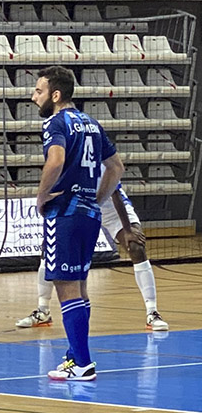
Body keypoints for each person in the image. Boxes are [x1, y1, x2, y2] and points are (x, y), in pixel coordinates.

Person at [31, 66, 124, 381]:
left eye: (39, 91)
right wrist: (97, 198)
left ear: (55, 95)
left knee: (66, 286)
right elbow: (116, 167)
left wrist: (42, 196)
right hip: (89, 214)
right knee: (80, 286)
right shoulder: (92, 123)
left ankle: (83, 364)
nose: (33, 97)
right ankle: (75, 356)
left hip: (65, 212)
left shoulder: (55, 122)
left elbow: (55, 160)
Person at [16, 184, 169, 331]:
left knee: (136, 247)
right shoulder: (63, 166)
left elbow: (115, 192)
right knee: (49, 248)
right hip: (78, 206)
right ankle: (43, 311)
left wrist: (128, 230)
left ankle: (152, 312)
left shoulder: (102, 165)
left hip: (110, 206)